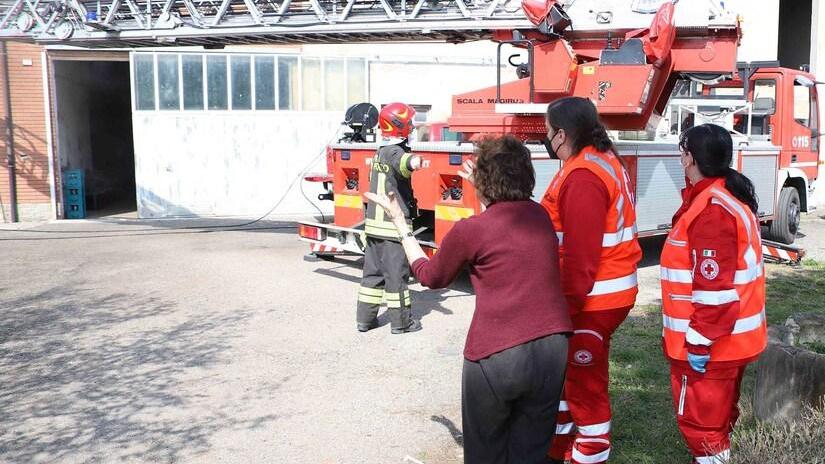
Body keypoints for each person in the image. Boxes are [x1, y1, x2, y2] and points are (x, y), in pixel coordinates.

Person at [366, 135, 572, 464]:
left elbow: (430, 276)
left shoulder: (470, 230)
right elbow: (501, 224)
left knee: (486, 450)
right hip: (553, 346)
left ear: (485, 180)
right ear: (527, 174)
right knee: (532, 449)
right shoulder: (539, 216)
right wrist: (486, 185)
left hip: (497, 353)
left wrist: (401, 225)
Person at [540, 97, 642, 464]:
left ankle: (591, 452)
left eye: (547, 132)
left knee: (586, 387)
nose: (545, 137)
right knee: (571, 379)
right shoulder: (596, 161)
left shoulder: (584, 176)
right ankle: (561, 449)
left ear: (562, 134)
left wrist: (563, 310)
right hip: (603, 293)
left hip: (592, 300)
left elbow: (581, 258)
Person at [660, 123, 766, 463]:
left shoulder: (711, 210)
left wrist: (698, 343)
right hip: (729, 342)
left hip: (712, 347)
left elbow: (714, 291)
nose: (681, 160)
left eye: (681, 153)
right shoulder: (722, 198)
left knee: (703, 430)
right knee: (717, 426)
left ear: (690, 158)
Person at [357, 102, 424, 334]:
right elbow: (405, 163)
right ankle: (401, 323)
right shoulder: (396, 152)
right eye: (410, 123)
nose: (413, 127)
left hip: (374, 227)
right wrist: (416, 161)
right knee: (396, 276)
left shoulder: (380, 152)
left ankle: (364, 320)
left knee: (372, 276)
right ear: (400, 125)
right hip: (391, 227)